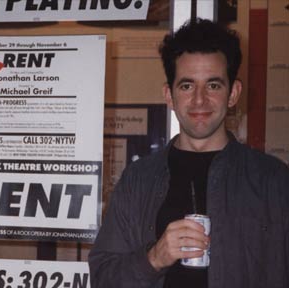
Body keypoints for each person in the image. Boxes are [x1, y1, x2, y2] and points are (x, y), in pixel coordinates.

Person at [89, 18, 289, 288]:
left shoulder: (273, 181)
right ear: (169, 96)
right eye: (186, 85)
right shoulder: (138, 180)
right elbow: (104, 278)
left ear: (233, 94)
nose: (199, 99)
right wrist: (154, 258)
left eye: (213, 85)